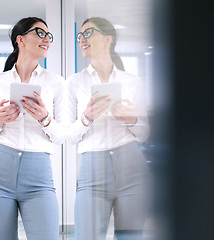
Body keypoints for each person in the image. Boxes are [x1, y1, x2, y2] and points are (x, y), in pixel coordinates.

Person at [0, 17, 65, 240]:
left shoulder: (56, 83)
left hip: (38, 177)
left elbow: (62, 135)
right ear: (20, 39)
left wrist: (44, 117)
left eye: (48, 35)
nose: (46, 39)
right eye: (40, 33)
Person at [67, 17, 151, 240]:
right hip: (92, 169)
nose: (82, 40)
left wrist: (130, 118)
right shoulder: (74, 83)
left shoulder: (131, 81)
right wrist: (87, 116)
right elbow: (69, 136)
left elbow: (143, 134)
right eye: (80, 36)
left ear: (107, 40)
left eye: (88, 33)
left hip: (131, 167)